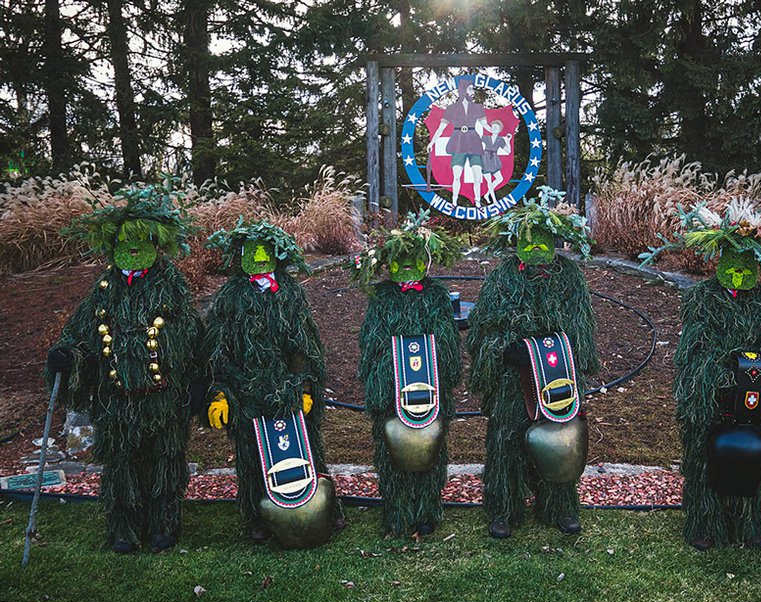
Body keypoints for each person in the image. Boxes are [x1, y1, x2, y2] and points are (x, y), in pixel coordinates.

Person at [45, 186, 202, 553]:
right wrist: (67, 357)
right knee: (120, 465)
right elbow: (80, 335)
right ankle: (124, 528)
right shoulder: (103, 290)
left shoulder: (171, 287)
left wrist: (198, 382)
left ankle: (164, 523)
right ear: (112, 247)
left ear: (155, 243)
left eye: (141, 241)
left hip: (163, 398)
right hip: (116, 401)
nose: (132, 249)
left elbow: (193, 337)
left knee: (165, 460)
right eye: (124, 242)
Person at [666, 187, 761, 550]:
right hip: (713, 394)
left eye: (749, 263)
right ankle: (704, 524)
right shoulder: (701, 298)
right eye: (733, 261)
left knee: (752, 455)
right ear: (719, 258)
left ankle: (750, 524)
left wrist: (757, 368)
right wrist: (725, 374)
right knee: (704, 457)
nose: (740, 271)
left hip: (756, 393)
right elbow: (696, 347)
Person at [467, 187, 598, 538]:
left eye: (544, 238)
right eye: (530, 238)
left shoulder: (570, 278)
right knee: (507, 442)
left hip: (559, 376)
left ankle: (558, 507)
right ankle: (504, 510)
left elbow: (582, 329)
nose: (537, 246)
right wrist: (503, 350)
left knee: (559, 436)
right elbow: (483, 329)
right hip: (514, 380)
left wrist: (569, 353)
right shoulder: (501, 278)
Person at [203, 220, 343, 548]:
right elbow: (216, 352)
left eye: (267, 250)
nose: (261, 256)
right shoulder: (229, 298)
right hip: (246, 389)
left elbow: (304, 344)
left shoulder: (291, 293)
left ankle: (324, 507)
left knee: (307, 449)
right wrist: (221, 393)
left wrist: (306, 386)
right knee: (251, 456)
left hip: (288, 388)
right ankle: (259, 517)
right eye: (253, 251)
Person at [349, 212, 463, 537]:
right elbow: (371, 346)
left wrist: (436, 371)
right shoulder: (381, 299)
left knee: (430, 452)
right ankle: (397, 513)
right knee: (392, 454)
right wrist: (386, 378)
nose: (408, 265)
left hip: (430, 393)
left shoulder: (436, 297)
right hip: (392, 394)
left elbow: (448, 344)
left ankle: (426, 510)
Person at [429, 77, 489, 206]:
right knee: (456, 176)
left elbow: (486, 126)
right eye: (470, 88)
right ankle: (454, 202)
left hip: (474, 142)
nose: (472, 91)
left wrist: (497, 132)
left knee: (477, 177)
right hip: (458, 143)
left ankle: (478, 203)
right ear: (463, 90)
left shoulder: (478, 107)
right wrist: (432, 142)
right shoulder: (451, 108)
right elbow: (441, 128)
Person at [480, 119, 513, 204]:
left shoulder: (500, 140)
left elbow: (508, 151)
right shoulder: (486, 137)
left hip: (494, 160)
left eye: (496, 127)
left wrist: (508, 141)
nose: (494, 128)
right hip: (485, 159)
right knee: (489, 181)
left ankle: (487, 194)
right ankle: (494, 200)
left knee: (500, 178)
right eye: (493, 127)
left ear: (499, 130)